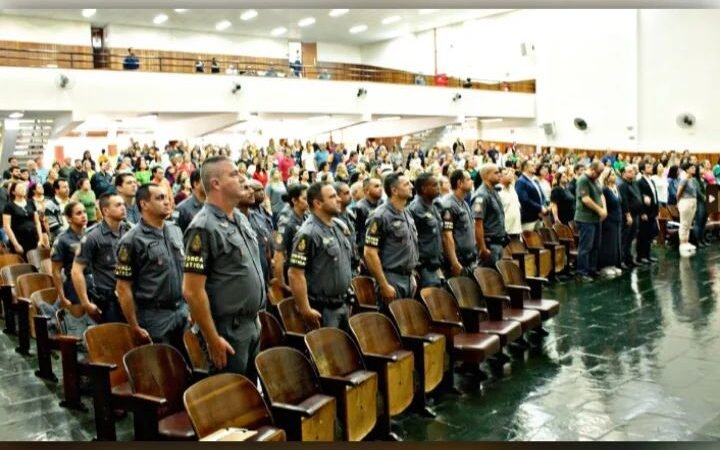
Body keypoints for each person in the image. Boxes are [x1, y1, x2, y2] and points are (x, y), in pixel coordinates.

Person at [182, 157, 265, 376]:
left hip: (250, 323)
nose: (242, 178)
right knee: (231, 398)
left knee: (250, 396)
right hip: (227, 329)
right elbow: (192, 290)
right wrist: (212, 338)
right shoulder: (203, 227)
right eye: (234, 174)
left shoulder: (239, 218)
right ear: (216, 183)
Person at [115, 184, 188, 352]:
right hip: (154, 317)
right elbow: (123, 287)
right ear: (144, 204)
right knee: (162, 370)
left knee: (186, 368)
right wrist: (134, 325)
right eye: (160, 198)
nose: (167, 202)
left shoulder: (175, 230)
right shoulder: (131, 240)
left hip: (181, 311)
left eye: (167, 197)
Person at [288, 182, 353, 329]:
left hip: (342, 303)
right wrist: (305, 309)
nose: (339, 200)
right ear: (318, 203)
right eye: (332, 197)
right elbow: (295, 274)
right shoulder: (308, 233)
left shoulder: (337, 226)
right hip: (323, 308)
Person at [73, 193, 130, 324]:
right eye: (118, 205)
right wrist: (85, 302)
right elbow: (76, 271)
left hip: (130, 294)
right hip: (108, 299)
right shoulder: (93, 236)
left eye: (123, 204)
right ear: (105, 211)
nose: (123, 208)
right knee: (115, 338)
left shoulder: (129, 230)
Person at [364, 173, 419, 304]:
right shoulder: (380, 216)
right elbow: (370, 253)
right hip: (391, 278)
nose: (411, 186)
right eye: (406, 184)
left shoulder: (406, 212)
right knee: (392, 322)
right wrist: (383, 284)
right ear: (394, 190)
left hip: (407, 277)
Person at [49, 202, 95, 337]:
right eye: (78, 213)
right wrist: (62, 297)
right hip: (73, 286)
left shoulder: (91, 234)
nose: (83, 216)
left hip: (94, 283)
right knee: (77, 328)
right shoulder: (62, 240)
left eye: (85, 212)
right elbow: (56, 271)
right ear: (69, 218)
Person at [408, 173, 443, 288]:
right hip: (423, 266)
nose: (438, 187)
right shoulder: (415, 208)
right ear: (424, 188)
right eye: (434, 185)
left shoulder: (433, 206)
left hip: (435, 263)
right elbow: (411, 239)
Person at [440, 170, 477, 278]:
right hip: (459, 260)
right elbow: (447, 236)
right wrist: (454, 262)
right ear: (459, 183)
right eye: (469, 179)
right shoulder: (449, 205)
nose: (472, 181)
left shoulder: (464, 203)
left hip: (469, 259)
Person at [574, 162, 607, 282]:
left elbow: (601, 194)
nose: (599, 175)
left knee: (595, 246)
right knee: (585, 247)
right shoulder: (583, 180)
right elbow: (585, 199)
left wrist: (604, 210)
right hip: (585, 219)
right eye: (598, 173)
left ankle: (592, 270)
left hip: (595, 218)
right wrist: (600, 210)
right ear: (592, 169)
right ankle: (581, 273)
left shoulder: (595, 180)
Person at [272, 184, 308, 291]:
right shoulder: (286, 222)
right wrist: (281, 283)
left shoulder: (305, 217)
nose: (308, 201)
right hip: (293, 272)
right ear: (294, 201)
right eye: (305, 198)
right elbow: (278, 255)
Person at [471, 164, 507, 268]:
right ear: (486, 175)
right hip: (489, 245)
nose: (499, 175)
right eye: (496, 173)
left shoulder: (494, 191)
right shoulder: (481, 195)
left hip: (498, 242)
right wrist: (482, 248)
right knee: (489, 277)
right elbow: (478, 224)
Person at [3, 182, 48, 258]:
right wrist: (16, 244)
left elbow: (37, 222)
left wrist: (40, 239)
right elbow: (7, 227)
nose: (23, 189)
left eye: (24, 187)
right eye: (20, 188)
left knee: (37, 261)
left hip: (33, 238)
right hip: (19, 239)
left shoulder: (30, 202)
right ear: (13, 192)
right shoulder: (9, 206)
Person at [243, 180, 274, 282]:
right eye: (258, 190)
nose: (261, 193)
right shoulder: (244, 214)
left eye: (262, 189)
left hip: (267, 260)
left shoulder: (263, 211)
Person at [351, 177, 383, 269]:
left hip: (382, 249)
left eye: (381, 185)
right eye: (376, 186)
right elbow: (355, 233)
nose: (380, 188)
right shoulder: (359, 208)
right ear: (367, 190)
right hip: (366, 251)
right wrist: (359, 255)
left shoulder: (382, 204)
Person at [598, 169, 623, 277]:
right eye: (612, 175)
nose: (615, 176)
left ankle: (613, 264)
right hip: (609, 220)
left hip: (617, 218)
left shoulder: (615, 188)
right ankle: (605, 265)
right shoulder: (605, 190)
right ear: (607, 177)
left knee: (616, 242)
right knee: (608, 243)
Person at [618, 166, 642, 268]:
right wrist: (628, 215)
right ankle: (622, 260)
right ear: (623, 174)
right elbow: (625, 201)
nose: (633, 173)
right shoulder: (622, 185)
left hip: (636, 215)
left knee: (631, 238)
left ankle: (629, 259)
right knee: (625, 238)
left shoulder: (635, 183)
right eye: (630, 172)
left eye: (633, 171)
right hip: (628, 215)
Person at [636, 161, 659, 262]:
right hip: (645, 212)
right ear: (642, 170)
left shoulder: (652, 181)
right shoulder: (640, 182)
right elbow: (638, 196)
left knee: (649, 234)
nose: (651, 168)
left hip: (652, 211)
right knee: (643, 234)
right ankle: (641, 256)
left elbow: (654, 196)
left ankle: (647, 254)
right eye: (648, 167)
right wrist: (642, 212)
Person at [515, 159, 547, 231]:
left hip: (538, 216)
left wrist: (543, 207)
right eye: (532, 165)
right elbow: (524, 200)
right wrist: (540, 208)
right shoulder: (521, 181)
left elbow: (542, 196)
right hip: (528, 219)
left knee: (539, 240)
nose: (535, 167)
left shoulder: (534, 180)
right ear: (526, 168)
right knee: (529, 240)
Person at [676, 163, 698, 257]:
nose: (694, 169)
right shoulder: (684, 179)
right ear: (687, 169)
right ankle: (682, 243)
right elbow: (678, 193)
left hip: (693, 201)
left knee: (689, 223)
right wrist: (679, 202)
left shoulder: (692, 179)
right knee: (684, 223)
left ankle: (686, 241)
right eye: (692, 168)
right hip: (685, 201)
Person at [497, 167, 522, 239]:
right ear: (500, 177)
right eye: (506, 174)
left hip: (516, 229)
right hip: (505, 231)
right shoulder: (498, 191)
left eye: (511, 173)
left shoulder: (512, 188)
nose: (511, 175)